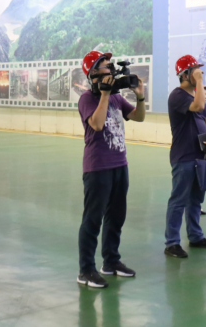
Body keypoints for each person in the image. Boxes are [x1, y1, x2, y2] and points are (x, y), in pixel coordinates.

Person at [77, 50, 146, 288]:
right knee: (93, 220)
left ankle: (111, 261)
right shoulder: (87, 99)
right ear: (94, 73)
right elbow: (96, 124)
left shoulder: (116, 98)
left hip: (119, 164)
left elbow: (138, 117)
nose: (111, 69)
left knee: (116, 217)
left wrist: (139, 97)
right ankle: (86, 270)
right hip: (97, 167)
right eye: (106, 65)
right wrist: (105, 94)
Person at [164, 55, 206, 258]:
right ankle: (172, 242)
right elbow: (198, 107)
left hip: (200, 155)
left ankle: (195, 236)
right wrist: (200, 82)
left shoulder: (197, 95)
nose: (199, 74)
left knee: (196, 199)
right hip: (184, 156)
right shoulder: (177, 96)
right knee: (179, 199)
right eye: (195, 71)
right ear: (185, 75)